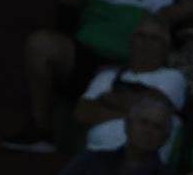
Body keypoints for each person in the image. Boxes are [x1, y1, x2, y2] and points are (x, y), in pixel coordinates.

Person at [7, 0, 174, 153]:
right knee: (40, 44)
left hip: (125, 67)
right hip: (84, 59)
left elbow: (157, 37)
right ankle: (40, 130)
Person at [73, 15, 185, 154]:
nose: (146, 42)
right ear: (131, 40)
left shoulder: (173, 77)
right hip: (94, 157)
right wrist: (135, 113)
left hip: (143, 162)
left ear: (166, 47)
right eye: (141, 35)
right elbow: (82, 113)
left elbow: (155, 109)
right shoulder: (107, 76)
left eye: (154, 38)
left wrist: (107, 99)